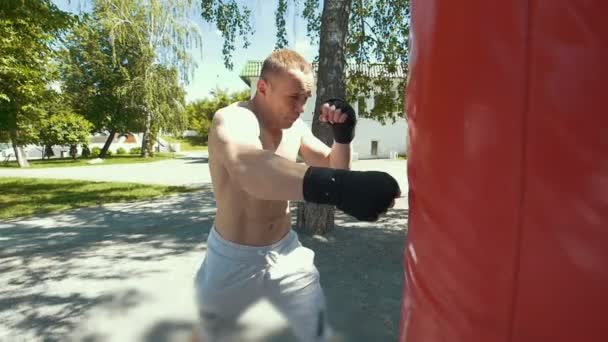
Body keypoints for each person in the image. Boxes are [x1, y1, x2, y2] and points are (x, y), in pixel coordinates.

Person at [193, 49, 400, 342]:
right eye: (294, 98)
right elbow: (251, 169)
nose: (302, 107)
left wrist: (343, 137)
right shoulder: (233, 119)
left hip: (286, 250)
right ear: (263, 87)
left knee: (315, 329)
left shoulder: (295, 129)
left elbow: (334, 167)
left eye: (306, 98)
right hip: (231, 257)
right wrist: (338, 188)